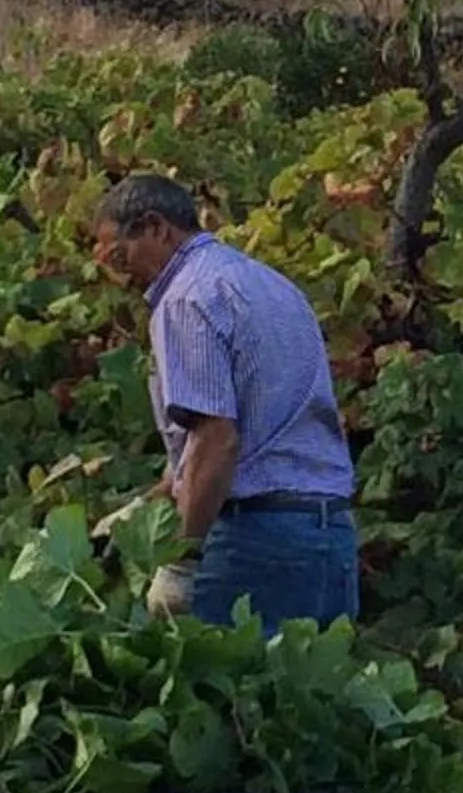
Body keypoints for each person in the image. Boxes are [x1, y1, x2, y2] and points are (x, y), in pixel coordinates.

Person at [90, 173, 359, 627]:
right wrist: (146, 507)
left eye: (118, 255)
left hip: (253, 537)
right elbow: (245, 431)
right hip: (328, 532)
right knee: (314, 669)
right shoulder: (272, 285)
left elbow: (217, 438)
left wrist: (182, 560)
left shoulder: (185, 298)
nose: (120, 273)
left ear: (155, 227)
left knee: (225, 672)